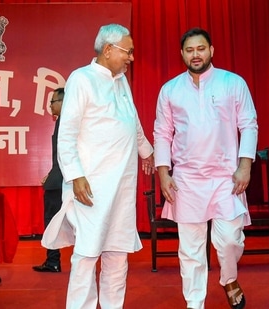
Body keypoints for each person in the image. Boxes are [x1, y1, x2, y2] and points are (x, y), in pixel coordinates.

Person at [41, 23, 154, 309]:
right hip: (91, 186)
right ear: (107, 50)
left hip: (122, 187)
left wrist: (147, 152)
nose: (130, 58)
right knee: (87, 254)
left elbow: (133, 121)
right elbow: (66, 134)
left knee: (117, 254)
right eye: (127, 52)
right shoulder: (82, 79)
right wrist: (76, 176)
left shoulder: (121, 80)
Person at [153, 27, 258, 309]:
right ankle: (195, 302)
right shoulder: (170, 90)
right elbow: (162, 133)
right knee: (190, 250)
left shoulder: (233, 83)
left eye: (201, 49)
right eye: (189, 50)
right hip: (186, 179)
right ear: (182, 54)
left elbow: (248, 124)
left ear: (211, 50)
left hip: (227, 178)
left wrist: (244, 166)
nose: (195, 54)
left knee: (229, 241)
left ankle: (229, 278)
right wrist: (164, 172)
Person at [33, 87, 64, 273]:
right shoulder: (63, 121)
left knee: (52, 221)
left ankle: (53, 261)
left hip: (61, 182)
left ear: (62, 102)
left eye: (53, 102)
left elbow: (65, 155)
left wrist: (56, 174)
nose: (50, 105)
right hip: (60, 177)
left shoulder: (65, 123)